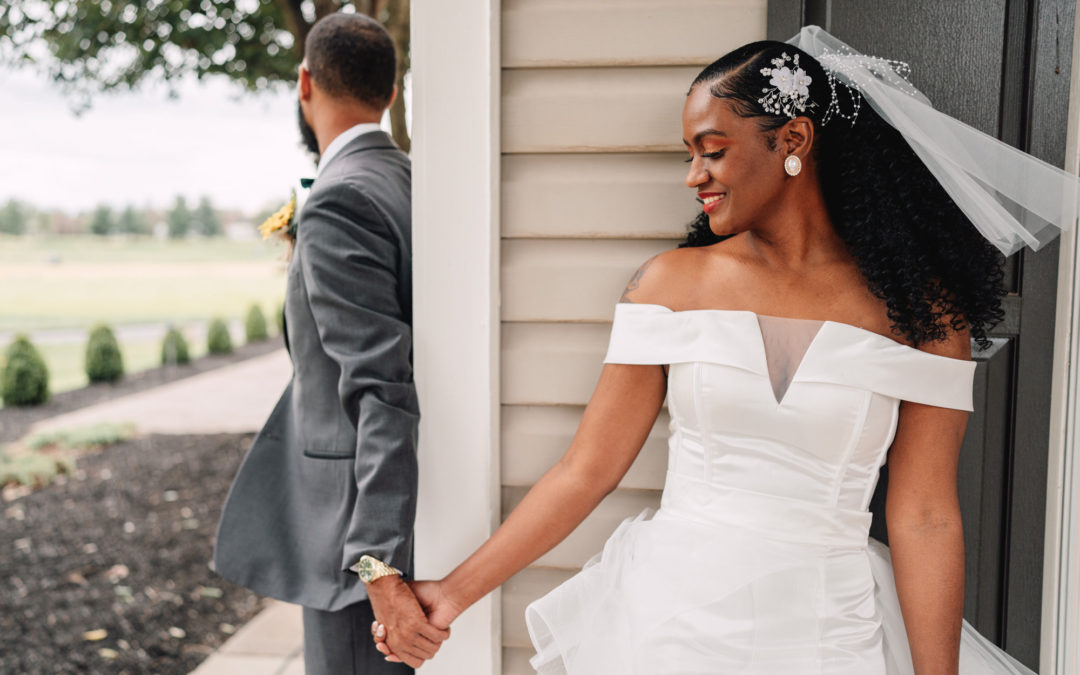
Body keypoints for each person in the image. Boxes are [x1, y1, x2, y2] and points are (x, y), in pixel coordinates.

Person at [374, 26, 1079, 674]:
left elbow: (925, 514)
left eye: (712, 151)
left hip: (829, 629)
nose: (693, 175)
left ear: (793, 139)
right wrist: (449, 592)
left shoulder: (924, 316)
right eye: (690, 155)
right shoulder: (670, 285)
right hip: (671, 622)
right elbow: (584, 469)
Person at [212, 13, 447, 674]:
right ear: (391, 92)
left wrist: (376, 565)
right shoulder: (407, 181)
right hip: (398, 511)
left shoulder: (341, 198)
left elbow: (381, 388)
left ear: (304, 81)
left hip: (354, 543)